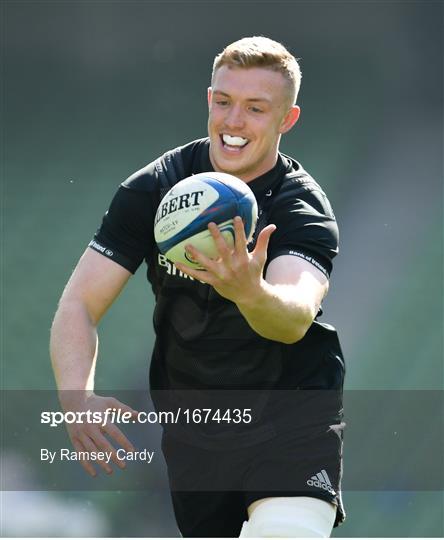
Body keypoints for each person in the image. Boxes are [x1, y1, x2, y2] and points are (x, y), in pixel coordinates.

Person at [50, 36, 346, 538]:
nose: (234, 122)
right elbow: (79, 303)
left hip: (292, 420)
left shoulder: (301, 209)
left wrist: (248, 292)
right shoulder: (153, 188)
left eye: (256, 108)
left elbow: (295, 318)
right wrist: (76, 396)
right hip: (196, 429)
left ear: (287, 119)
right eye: (224, 102)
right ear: (209, 100)